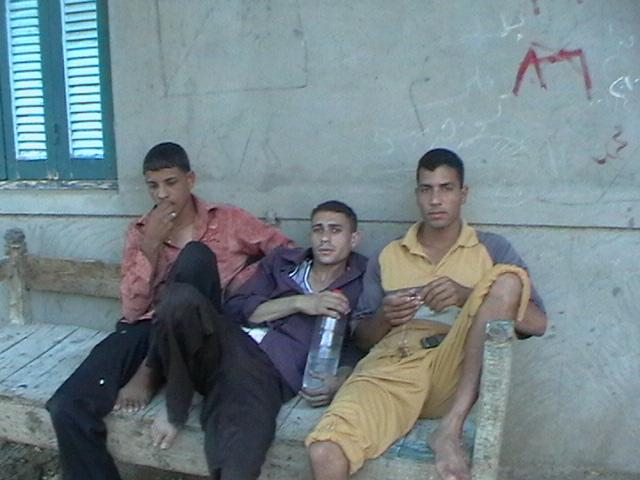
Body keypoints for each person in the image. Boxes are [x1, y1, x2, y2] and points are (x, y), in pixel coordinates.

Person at [46, 141, 295, 480]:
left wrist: (246, 285)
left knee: (195, 257)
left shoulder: (228, 220)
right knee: (66, 406)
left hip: (205, 334)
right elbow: (132, 311)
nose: (162, 194)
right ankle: (151, 363)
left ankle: (150, 370)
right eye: (153, 186)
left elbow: (287, 255)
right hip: (148, 330)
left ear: (190, 180)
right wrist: (149, 246)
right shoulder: (139, 232)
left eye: (170, 183)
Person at [306, 148, 548, 480]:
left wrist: (467, 296)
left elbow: (538, 323)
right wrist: (385, 317)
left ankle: (450, 429)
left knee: (506, 280)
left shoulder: (491, 248)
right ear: (417, 195)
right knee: (325, 450)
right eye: (426, 189)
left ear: (463, 194)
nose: (436, 200)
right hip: (394, 363)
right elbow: (361, 339)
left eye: (446, 188)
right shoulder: (389, 253)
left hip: (455, 365)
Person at [147, 200, 368, 480]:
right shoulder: (283, 263)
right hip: (229, 343)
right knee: (188, 274)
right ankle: (175, 405)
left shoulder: (362, 281)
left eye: (335, 230)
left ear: (354, 239)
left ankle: (189, 407)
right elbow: (237, 308)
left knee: (241, 444)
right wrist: (301, 302)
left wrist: (340, 380)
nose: (325, 238)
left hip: (269, 369)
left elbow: (359, 342)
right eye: (318, 230)